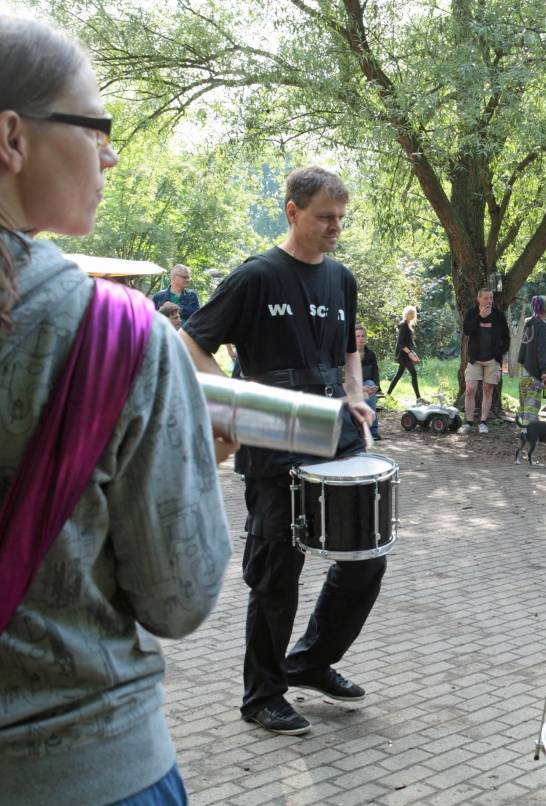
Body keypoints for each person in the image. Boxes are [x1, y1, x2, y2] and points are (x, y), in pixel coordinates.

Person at [0, 12, 231, 805]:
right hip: (91, 775)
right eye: (97, 126)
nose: (111, 154)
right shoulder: (118, 340)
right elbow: (178, 599)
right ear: (11, 138)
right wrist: (196, 468)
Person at [181, 165, 385, 737]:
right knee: (278, 571)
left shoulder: (342, 278)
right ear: (292, 213)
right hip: (274, 438)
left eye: (341, 219)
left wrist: (354, 394)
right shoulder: (257, 276)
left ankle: (312, 661)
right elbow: (191, 342)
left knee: (366, 554)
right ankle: (263, 694)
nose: (334, 228)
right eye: (324, 217)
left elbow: (349, 348)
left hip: (336, 428)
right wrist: (236, 407)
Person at [459, 288, 510, 433]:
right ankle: (468, 422)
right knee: (469, 390)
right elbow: (467, 330)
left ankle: (483, 422)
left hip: (492, 360)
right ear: (479, 299)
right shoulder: (472, 313)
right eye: (486, 298)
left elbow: (506, 337)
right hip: (475, 359)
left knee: (488, 390)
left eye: (491, 298)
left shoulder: (499, 315)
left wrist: (500, 353)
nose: (489, 301)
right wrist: (480, 317)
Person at [517, 295, 546, 424]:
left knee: (523, 401)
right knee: (532, 404)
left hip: (523, 369)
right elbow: (541, 350)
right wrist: (543, 371)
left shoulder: (527, 323)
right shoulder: (542, 326)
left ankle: (521, 428)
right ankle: (529, 431)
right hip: (534, 370)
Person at [385, 305, 423, 402]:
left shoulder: (408, 324)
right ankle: (418, 398)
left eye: (413, 314)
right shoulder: (403, 324)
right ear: (406, 314)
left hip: (406, 354)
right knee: (413, 373)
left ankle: (387, 394)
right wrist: (410, 353)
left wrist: (412, 353)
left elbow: (407, 342)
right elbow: (401, 342)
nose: (412, 315)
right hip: (403, 355)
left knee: (399, 374)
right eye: (410, 313)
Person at [355, 324, 381, 440]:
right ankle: (366, 430)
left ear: (366, 338)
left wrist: (376, 386)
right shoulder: (346, 354)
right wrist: (359, 388)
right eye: (357, 336)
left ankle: (373, 431)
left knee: (370, 384)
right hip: (351, 386)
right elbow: (344, 377)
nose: (360, 339)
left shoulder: (370, 354)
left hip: (367, 384)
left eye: (362, 336)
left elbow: (375, 372)